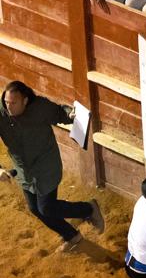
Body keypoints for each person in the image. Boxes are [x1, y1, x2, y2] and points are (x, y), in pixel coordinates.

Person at [0, 81, 105, 251]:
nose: (8, 107)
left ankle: (88, 209)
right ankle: (72, 236)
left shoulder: (39, 107)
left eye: (13, 103)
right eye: (6, 102)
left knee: (47, 208)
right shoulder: (1, 113)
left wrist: (70, 114)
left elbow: (59, 113)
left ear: (25, 101)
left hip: (45, 166)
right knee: (35, 208)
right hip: (23, 170)